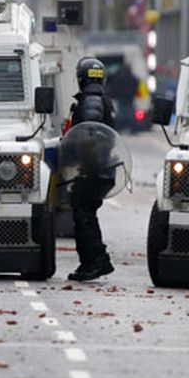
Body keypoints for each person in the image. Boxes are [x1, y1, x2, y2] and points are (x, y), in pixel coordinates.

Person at [65, 57, 116, 281]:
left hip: (93, 168)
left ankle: (95, 262)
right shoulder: (101, 100)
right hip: (101, 168)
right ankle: (95, 260)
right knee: (86, 212)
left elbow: (90, 134)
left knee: (83, 213)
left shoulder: (90, 102)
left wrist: (80, 157)